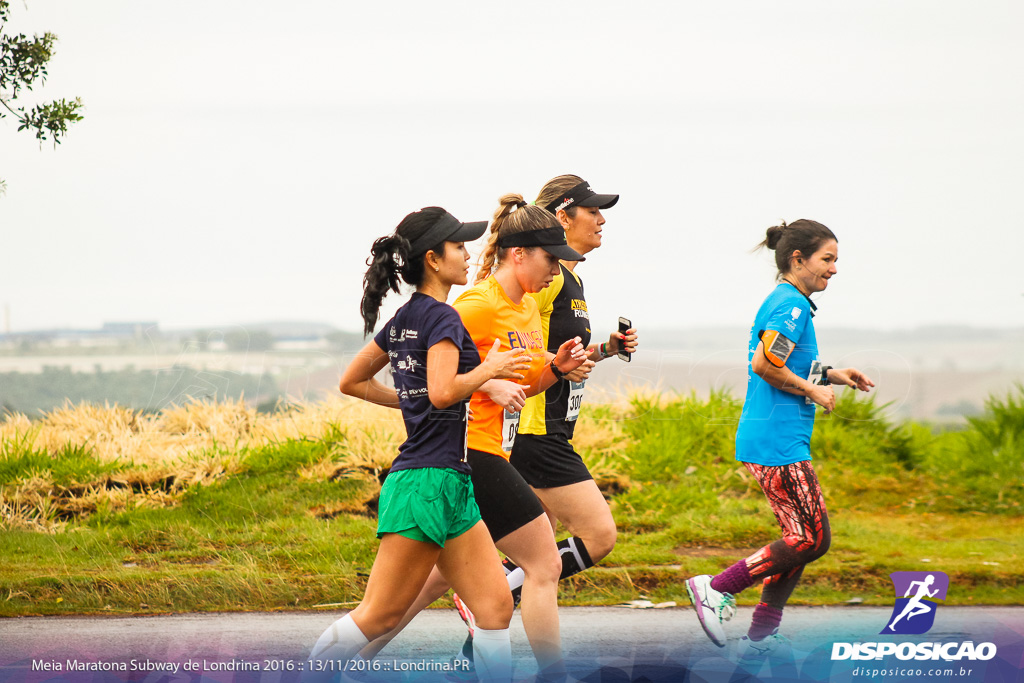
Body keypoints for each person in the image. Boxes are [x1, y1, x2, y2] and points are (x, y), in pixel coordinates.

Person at [356, 195, 589, 681]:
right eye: (552, 257)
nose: (558, 269)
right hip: (465, 453)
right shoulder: (471, 307)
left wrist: (556, 370)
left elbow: (516, 383)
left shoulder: (523, 310)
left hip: (470, 461)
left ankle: (358, 659)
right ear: (519, 253)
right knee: (542, 564)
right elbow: (438, 375)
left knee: (453, 593)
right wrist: (484, 379)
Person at [309, 207, 535, 682]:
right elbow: (441, 391)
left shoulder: (405, 318)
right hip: (426, 485)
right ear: (433, 259)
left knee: (494, 606)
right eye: (458, 246)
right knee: (379, 616)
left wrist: (413, 402)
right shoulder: (443, 319)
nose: (468, 253)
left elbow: (353, 381)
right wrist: (488, 372)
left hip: (450, 483)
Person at [684, 219, 875, 661]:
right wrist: (813, 390)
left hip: (775, 438)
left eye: (835, 261)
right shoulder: (789, 305)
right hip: (776, 442)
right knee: (812, 539)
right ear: (798, 258)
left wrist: (830, 374)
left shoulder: (792, 303)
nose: (833, 269)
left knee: (798, 538)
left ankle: (761, 636)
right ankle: (716, 588)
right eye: (827, 259)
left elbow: (786, 361)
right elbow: (765, 365)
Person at [459, 176, 637, 618]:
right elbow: (513, 337)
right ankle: (494, 594)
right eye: (592, 211)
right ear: (562, 216)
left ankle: (484, 614)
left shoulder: (567, 279)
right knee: (592, 539)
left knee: (521, 550)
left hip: (547, 425)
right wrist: (492, 381)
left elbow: (553, 356)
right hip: (533, 428)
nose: (600, 220)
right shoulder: (549, 281)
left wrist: (603, 351)